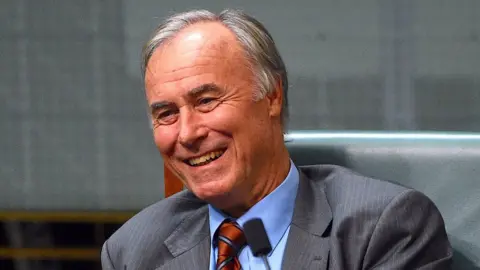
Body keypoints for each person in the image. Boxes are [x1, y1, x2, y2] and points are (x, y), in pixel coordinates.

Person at [101, 9, 452, 270]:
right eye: (166, 114)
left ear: (271, 96)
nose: (188, 133)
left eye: (206, 101)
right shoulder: (131, 253)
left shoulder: (385, 229)